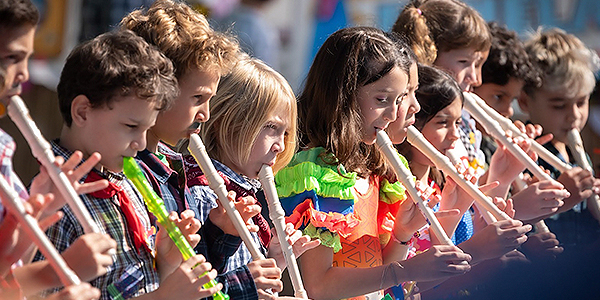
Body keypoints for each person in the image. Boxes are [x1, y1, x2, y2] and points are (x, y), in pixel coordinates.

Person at [122, 2, 314, 298]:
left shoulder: (172, 172)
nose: (205, 113)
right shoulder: (185, 182)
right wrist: (245, 282)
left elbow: (200, 270)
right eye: (198, 97)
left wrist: (236, 241)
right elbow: (185, 285)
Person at [273, 26, 472, 300]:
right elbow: (318, 285)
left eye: (398, 99)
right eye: (382, 99)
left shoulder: (373, 164)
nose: (392, 113)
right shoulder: (315, 171)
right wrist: (407, 269)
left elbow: (379, 272)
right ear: (343, 94)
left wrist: (402, 235)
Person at [33, 29, 222, 300]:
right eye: (131, 126)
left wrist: (166, 262)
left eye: (147, 129)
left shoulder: (126, 183)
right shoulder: (51, 204)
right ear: (82, 111)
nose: (141, 144)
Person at [0, 1, 116, 299]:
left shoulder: (4, 149)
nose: (24, 74)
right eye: (11, 57)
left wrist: (35, 217)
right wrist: (55, 271)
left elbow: (9, 278)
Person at [391, 65, 532, 298]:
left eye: (457, 122)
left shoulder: (442, 186)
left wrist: (502, 180)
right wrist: (479, 253)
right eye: (443, 123)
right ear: (411, 124)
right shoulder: (395, 194)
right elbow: (410, 286)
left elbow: (460, 246)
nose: (456, 135)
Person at [518, 27, 600, 248]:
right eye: (559, 105)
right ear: (525, 101)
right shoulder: (519, 155)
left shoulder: (574, 151)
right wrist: (561, 200)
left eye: (581, 102)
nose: (574, 115)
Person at [392, 0, 491, 174]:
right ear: (429, 54)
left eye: (478, 64)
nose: (476, 79)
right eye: (464, 62)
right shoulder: (416, 124)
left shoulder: (463, 122)